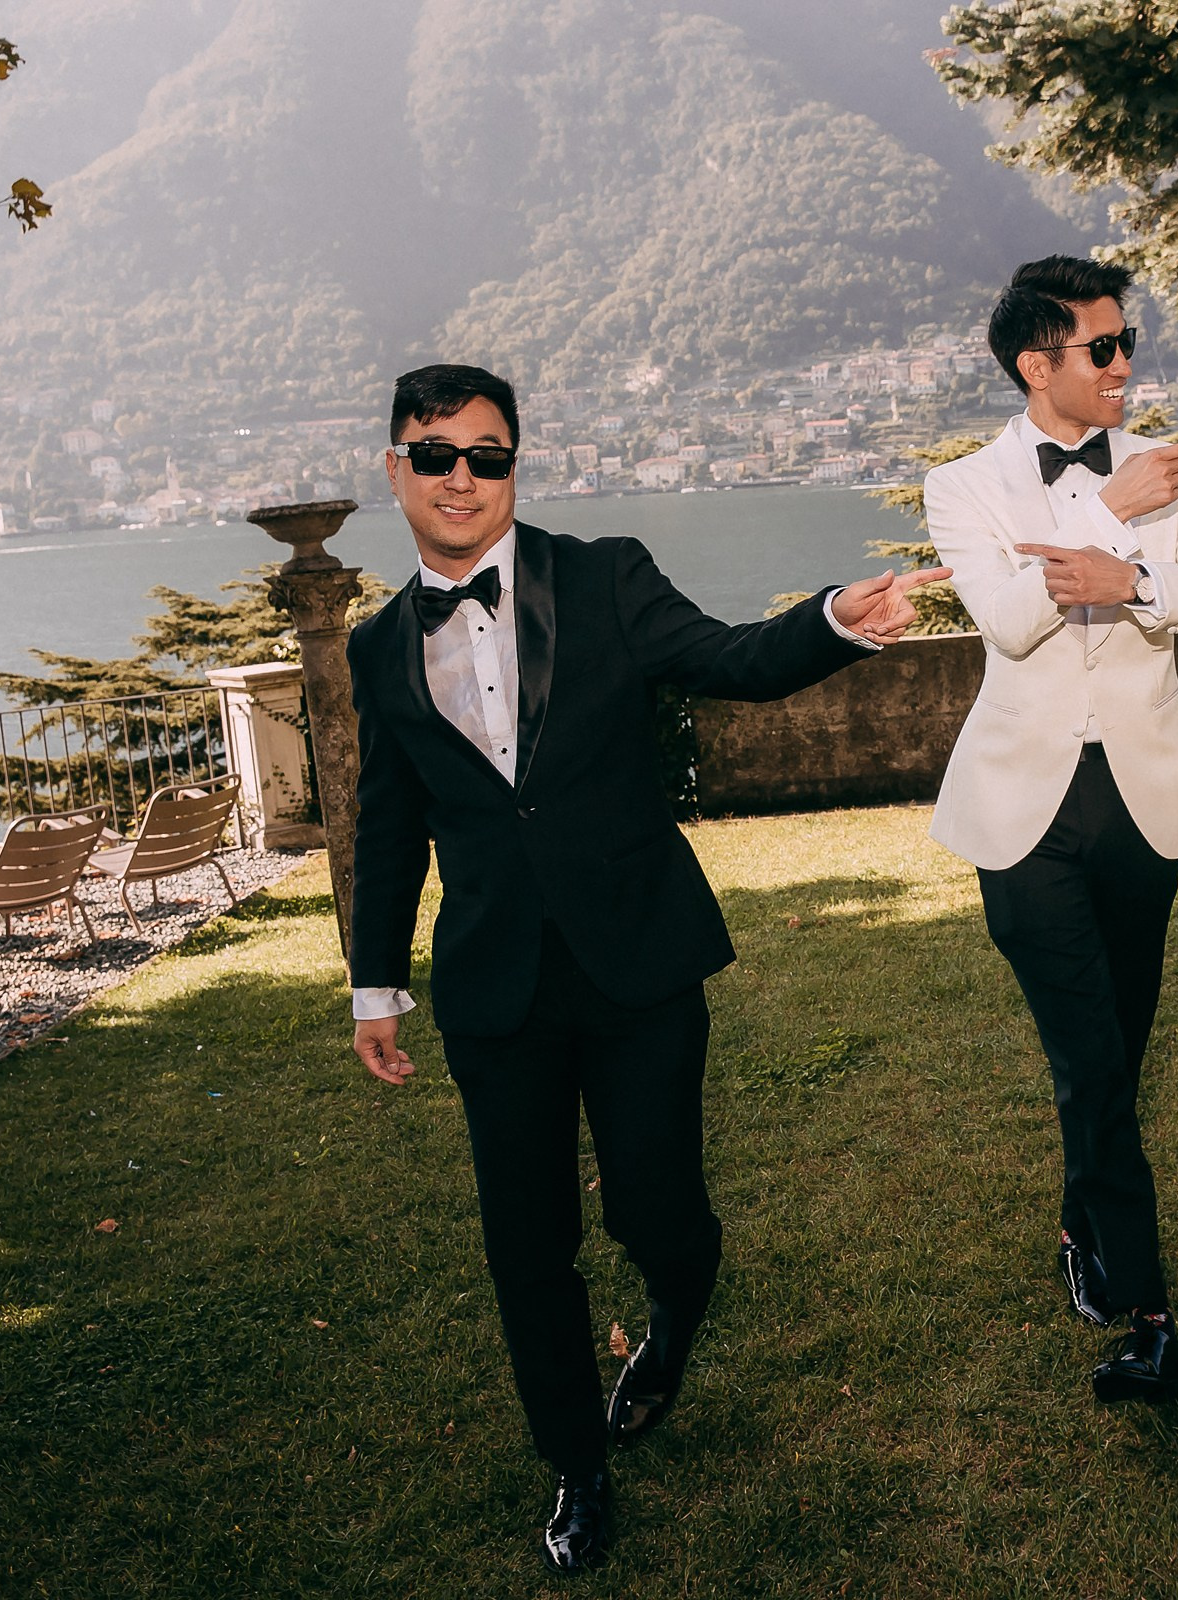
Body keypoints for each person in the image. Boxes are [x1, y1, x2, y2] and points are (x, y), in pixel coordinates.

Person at [346, 363, 946, 1575]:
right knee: (527, 1245)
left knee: (658, 1211)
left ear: (515, 467)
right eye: (437, 454)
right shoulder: (376, 645)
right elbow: (390, 821)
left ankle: (672, 1323)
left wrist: (834, 619)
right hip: (495, 987)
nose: (463, 478)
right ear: (395, 468)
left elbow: (731, 658)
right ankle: (577, 1464)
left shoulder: (605, 575)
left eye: (488, 455)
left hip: (640, 958)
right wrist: (375, 982)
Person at [925, 255, 1178, 1403]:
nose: (1123, 366)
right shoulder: (964, 486)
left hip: (1143, 798)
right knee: (1090, 1057)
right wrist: (1105, 513)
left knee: (1118, 1044)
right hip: (1023, 811)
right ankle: (1153, 1315)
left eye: (1127, 343)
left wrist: (1139, 584)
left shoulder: (1170, 469)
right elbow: (1011, 619)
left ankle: (1080, 1222)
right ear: (1037, 364)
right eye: (1101, 348)